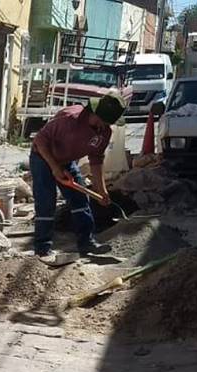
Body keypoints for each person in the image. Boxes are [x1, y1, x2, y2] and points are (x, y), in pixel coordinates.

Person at [29, 92, 126, 262]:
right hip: (42, 157)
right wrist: (54, 168)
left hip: (66, 160)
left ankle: (87, 243)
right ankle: (42, 249)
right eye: (103, 121)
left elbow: (96, 160)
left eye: (108, 123)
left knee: (80, 200)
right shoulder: (69, 120)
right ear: (95, 113)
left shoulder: (104, 133)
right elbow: (39, 140)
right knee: (46, 202)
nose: (104, 126)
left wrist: (101, 190)